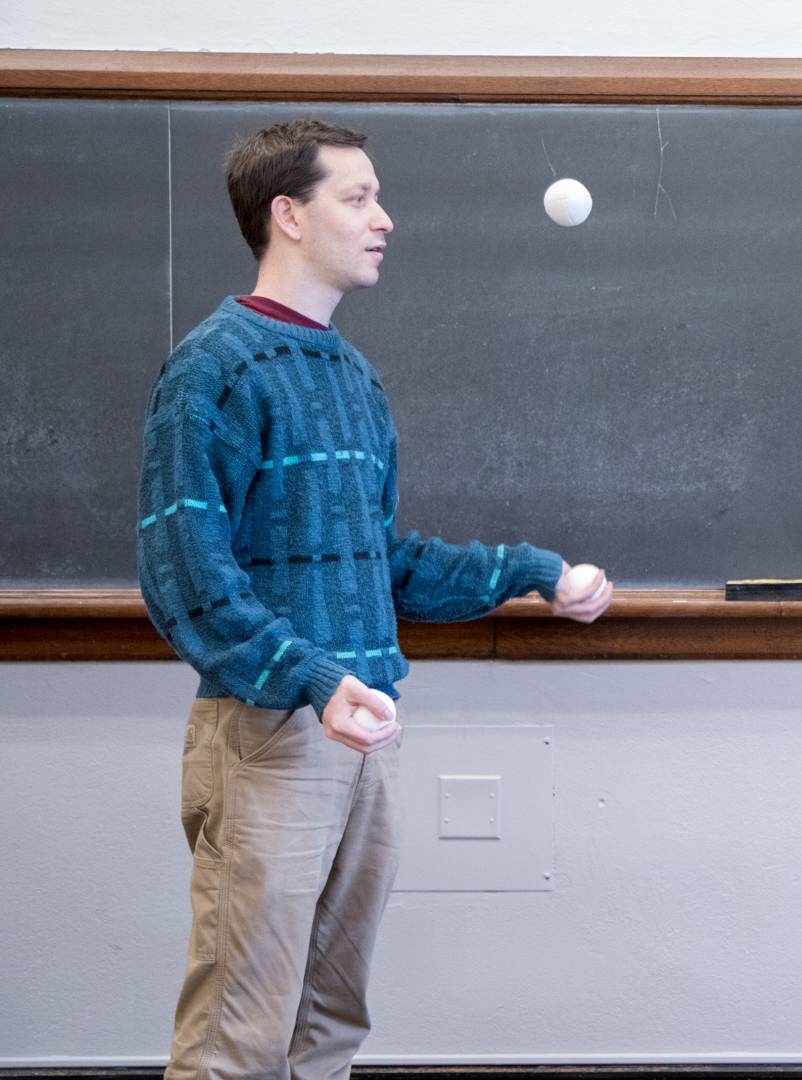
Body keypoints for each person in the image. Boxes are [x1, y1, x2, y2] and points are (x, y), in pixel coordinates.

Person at [137, 118, 614, 1079]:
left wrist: (533, 572)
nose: (383, 219)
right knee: (240, 1033)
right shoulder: (214, 369)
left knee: (330, 1026)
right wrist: (316, 680)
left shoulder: (352, 377)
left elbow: (379, 563)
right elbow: (185, 575)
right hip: (272, 733)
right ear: (289, 216)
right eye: (357, 198)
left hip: (365, 730)